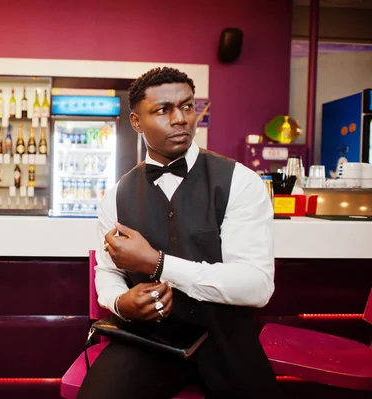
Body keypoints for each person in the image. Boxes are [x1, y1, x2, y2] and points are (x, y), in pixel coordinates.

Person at [77, 67, 281, 399]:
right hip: (148, 339)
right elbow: (107, 271)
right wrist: (120, 301)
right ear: (136, 122)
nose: (181, 119)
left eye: (187, 106)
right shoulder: (116, 195)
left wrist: (157, 264)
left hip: (224, 338)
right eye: (163, 110)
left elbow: (257, 286)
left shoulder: (239, 181)